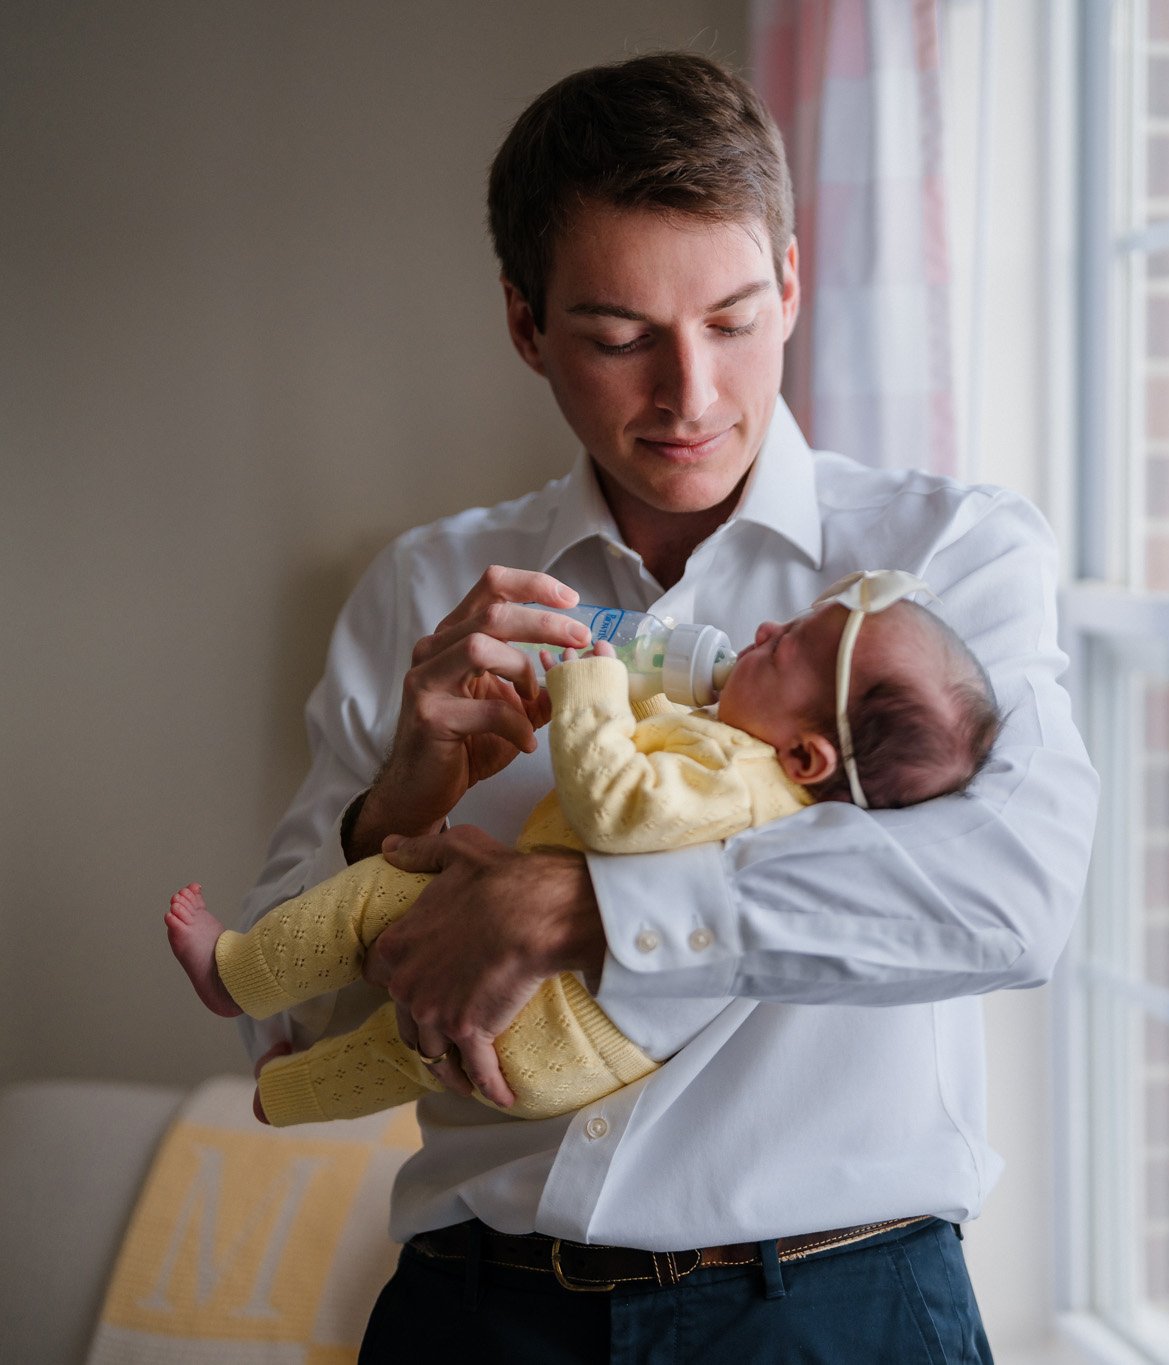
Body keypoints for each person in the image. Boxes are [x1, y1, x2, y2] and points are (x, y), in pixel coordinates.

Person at [231, 49, 1096, 1363]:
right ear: (526, 324)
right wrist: (385, 813)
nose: (690, 394)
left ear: (793, 284)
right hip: (476, 1312)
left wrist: (588, 908)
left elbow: (1011, 899)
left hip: (840, 1310)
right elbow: (278, 1023)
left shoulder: (949, 562)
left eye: (735, 320)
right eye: (621, 336)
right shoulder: (425, 590)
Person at [172, 577, 996, 1128]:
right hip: (565, 1058)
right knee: (397, 1055)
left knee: (385, 892)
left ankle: (236, 971)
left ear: (809, 759)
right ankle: (279, 1095)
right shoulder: (755, 772)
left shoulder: (744, 777)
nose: (768, 627)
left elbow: (616, 805)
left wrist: (593, 683)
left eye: (786, 648)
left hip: (550, 1005)